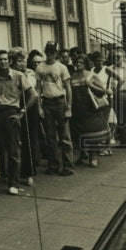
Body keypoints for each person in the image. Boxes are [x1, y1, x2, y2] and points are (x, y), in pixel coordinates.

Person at [0, 50, 36, 195]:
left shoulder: (18, 76)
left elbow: (33, 95)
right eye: (0, 60)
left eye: (5, 59)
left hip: (12, 113)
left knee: (13, 150)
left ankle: (13, 183)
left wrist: (22, 112)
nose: (3, 62)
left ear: (9, 61)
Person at [35, 41, 74, 176]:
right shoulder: (40, 67)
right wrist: (39, 107)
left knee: (65, 136)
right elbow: (38, 88)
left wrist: (69, 107)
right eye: (48, 51)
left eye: (52, 52)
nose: (50, 54)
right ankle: (54, 165)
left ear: (56, 53)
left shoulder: (62, 67)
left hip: (60, 102)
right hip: (47, 103)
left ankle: (68, 166)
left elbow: (68, 88)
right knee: (50, 137)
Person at [69, 53, 110, 167]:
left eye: (81, 62)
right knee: (79, 133)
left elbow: (102, 91)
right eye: (76, 62)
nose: (78, 64)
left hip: (91, 108)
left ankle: (93, 157)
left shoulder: (91, 75)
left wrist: (90, 85)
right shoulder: (73, 76)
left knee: (92, 134)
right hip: (77, 108)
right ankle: (83, 155)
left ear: (85, 63)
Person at [10, 47, 40, 185]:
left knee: (29, 139)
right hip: (13, 106)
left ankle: (29, 173)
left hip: (28, 107)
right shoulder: (10, 73)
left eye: (24, 61)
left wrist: (24, 110)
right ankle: (13, 172)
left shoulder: (30, 73)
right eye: (19, 61)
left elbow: (34, 94)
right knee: (14, 141)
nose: (22, 64)